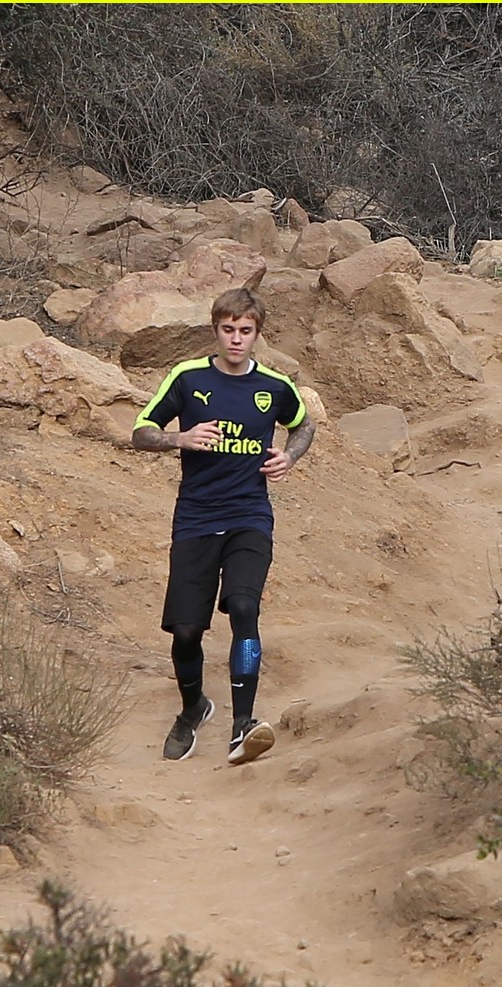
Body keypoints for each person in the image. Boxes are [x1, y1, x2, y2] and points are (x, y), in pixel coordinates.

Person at [131, 287, 316, 764]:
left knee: (243, 607)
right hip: (195, 516)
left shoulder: (274, 386)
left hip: (248, 515)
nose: (236, 339)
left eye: (245, 331)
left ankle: (243, 725)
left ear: (257, 334)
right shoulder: (187, 378)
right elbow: (140, 432)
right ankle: (193, 709)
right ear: (215, 331)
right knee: (187, 631)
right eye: (228, 329)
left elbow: (304, 424)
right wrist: (180, 438)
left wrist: (289, 456)